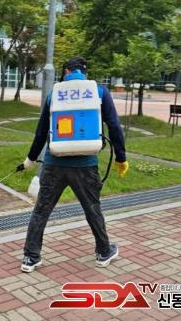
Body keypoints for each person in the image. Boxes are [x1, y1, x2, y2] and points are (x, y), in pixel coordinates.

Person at [19, 56, 129, 273]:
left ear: (66, 72)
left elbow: (41, 132)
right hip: (85, 164)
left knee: (41, 210)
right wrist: (121, 157)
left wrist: (30, 159)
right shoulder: (99, 92)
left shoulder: (54, 93)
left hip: (54, 163)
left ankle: (30, 257)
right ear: (85, 72)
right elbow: (114, 126)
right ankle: (103, 252)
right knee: (92, 208)